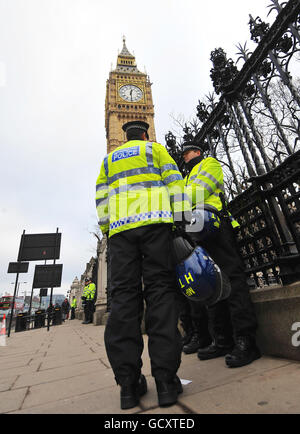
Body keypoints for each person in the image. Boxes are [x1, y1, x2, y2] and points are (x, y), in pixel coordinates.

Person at [95, 120, 191, 409]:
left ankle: (128, 385)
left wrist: (107, 229)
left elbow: (101, 197)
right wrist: (180, 221)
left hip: (122, 232)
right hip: (155, 227)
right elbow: (176, 186)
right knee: (161, 294)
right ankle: (165, 381)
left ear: (124, 138)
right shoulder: (156, 151)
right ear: (145, 134)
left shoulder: (109, 160)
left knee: (123, 299)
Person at [181, 140, 261, 368]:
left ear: (197, 151)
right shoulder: (186, 176)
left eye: (187, 153)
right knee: (212, 287)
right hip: (197, 231)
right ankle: (222, 340)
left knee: (232, 281)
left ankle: (246, 341)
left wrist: (176, 202)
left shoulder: (210, 163)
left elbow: (197, 193)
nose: (185, 157)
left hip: (216, 224)